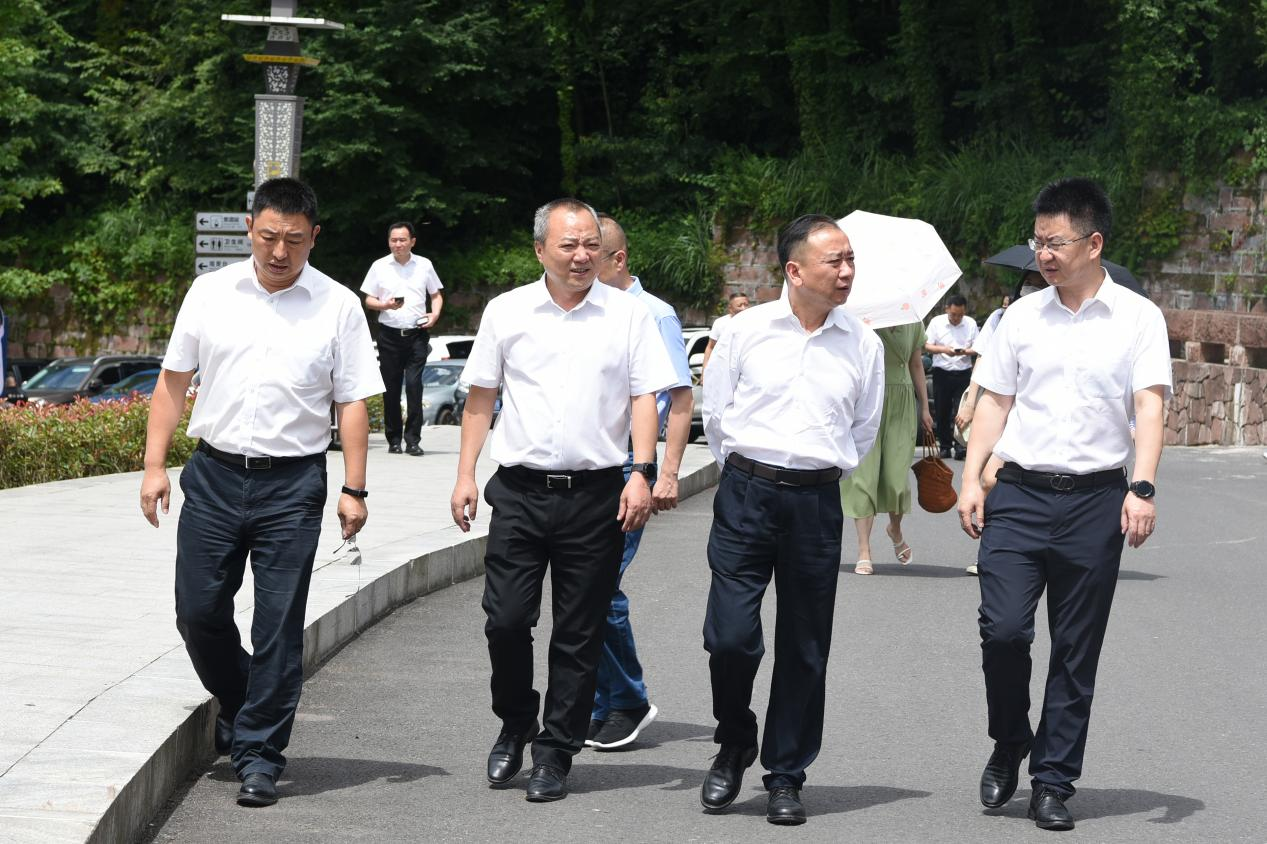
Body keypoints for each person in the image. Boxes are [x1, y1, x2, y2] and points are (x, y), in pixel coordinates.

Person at [139, 177, 383, 808]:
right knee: (197, 612)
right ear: (250, 228)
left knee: (278, 624)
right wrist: (154, 465)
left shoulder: (337, 305)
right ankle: (244, 699)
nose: (280, 251)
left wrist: (354, 488)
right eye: (269, 236)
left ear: (314, 237)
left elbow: (352, 401)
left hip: (293, 484)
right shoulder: (210, 292)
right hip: (214, 476)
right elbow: (172, 381)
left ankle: (259, 756)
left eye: (294, 240)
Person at [957, 178, 1171, 831]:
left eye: (1055, 242)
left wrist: (1141, 487)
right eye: (1038, 241)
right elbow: (994, 401)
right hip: (1019, 493)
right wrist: (972, 479)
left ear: (1093, 243)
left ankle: (1053, 780)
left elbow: (1149, 406)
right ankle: (1009, 739)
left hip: (1095, 500)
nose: (1043, 254)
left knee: (1075, 649)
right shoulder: (1020, 318)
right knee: (1003, 631)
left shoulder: (1138, 318)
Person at [449, 198, 677, 803]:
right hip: (520, 492)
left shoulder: (628, 315)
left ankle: (555, 751)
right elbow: (481, 398)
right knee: (505, 620)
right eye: (568, 245)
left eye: (591, 245)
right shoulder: (507, 311)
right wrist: (465, 474)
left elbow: (644, 398)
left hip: (596, 495)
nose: (581, 256)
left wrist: (642, 472)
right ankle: (515, 721)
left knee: (579, 632)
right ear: (540, 250)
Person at [700, 214, 884, 826]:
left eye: (851, 260)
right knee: (729, 636)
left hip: (815, 501)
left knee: (805, 644)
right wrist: (749, 473)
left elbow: (863, 429)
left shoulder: (863, 344)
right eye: (835, 261)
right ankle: (734, 740)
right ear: (795, 270)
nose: (847, 272)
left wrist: (813, 471)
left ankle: (786, 773)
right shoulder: (744, 331)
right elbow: (717, 416)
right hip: (746, 494)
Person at [586, 213, 694, 750]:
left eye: (592, 258)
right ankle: (603, 701)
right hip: (590, 464)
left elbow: (680, 396)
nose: (580, 267)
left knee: (601, 584)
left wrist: (665, 473)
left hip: (632, 464)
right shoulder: (588, 310)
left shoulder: (655, 314)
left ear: (618, 259)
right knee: (587, 586)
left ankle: (626, 699)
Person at [839, 321, 934, 575]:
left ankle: (895, 529)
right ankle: (864, 550)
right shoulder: (863, 320)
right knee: (864, 477)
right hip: (868, 399)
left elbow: (916, 364)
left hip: (901, 401)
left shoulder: (913, 320)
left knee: (896, 479)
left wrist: (925, 407)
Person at [360, 221, 444, 456]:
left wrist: (435, 314)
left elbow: (436, 295)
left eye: (402, 240)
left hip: (417, 334)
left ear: (412, 242)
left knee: (415, 386)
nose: (398, 244)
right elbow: (368, 300)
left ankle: (413, 440)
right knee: (391, 388)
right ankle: (394, 439)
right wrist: (385, 305)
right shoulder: (379, 266)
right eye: (393, 240)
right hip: (389, 335)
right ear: (389, 242)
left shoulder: (424, 265)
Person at [925, 294, 978, 459]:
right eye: (954, 314)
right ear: (947, 309)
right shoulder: (936, 322)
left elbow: (978, 347)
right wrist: (944, 350)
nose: (956, 318)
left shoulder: (970, 323)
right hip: (942, 371)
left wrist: (964, 352)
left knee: (961, 409)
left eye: (960, 315)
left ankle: (960, 445)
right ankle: (945, 446)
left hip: (963, 371)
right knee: (942, 410)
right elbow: (926, 345)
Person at [700, 291, 750, 373]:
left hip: (746, 370)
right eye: (740, 305)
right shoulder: (720, 323)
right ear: (730, 308)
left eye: (746, 304)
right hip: (723, 371)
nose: (743, 308)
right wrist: (704, 372)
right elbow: (710, 347)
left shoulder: (753, 323)